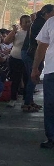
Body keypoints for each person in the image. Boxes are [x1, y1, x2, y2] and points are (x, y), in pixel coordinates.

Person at [31, 11, 54, 149]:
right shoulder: (51, 22)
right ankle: (51, 137)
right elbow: (41, 46)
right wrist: (35, 68)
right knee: (50, 105)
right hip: (51, 70)